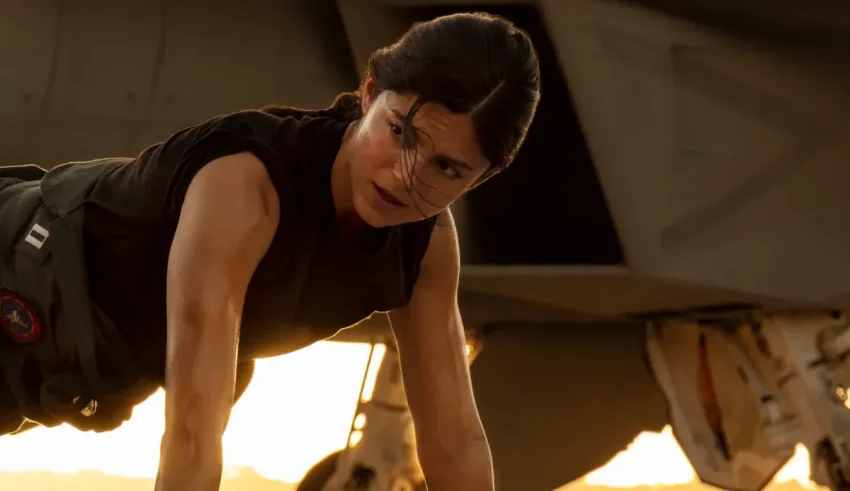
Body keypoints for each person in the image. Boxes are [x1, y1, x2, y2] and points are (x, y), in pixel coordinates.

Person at [0, 11, 540, 491]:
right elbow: (192, 430)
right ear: (370, 94)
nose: (405, 176)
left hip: (59, 369)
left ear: (482, 178)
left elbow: (454, 442)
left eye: (446, 168)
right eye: (400, 133)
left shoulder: (426, 246)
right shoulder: (245, 184)